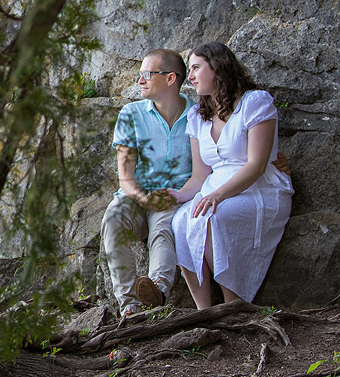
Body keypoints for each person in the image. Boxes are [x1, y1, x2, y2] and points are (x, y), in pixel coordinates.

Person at [170, 42, 293, 308]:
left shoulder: (255, 102)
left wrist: (218, 195)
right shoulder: (197, 116)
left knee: (215, 217)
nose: (190, 77)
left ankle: (232, 304)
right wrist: (176, 196)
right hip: (214, 187)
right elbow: (200, 176)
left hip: (259, 188)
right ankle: (203, 310)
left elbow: (257, 165)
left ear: (217, 67)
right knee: (180, 221)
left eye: (196, 68)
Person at [103, 48, 193, 318]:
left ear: (170, 78)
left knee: (164, 229)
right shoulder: (130, 114)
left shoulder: (197, 115)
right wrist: (143, 198)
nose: (140, 80)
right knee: (113, 219)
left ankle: (157, 292)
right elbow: (126, 176)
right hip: (135, 196)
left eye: (147, 74)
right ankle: (129, 305)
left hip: (173, 196)